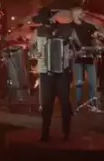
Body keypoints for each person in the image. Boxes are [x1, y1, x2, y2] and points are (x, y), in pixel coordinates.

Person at [30, 7, 82, 142]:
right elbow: (31, 49)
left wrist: (72, 53)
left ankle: (66, 133)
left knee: (65, 103)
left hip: (63, 73)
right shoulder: (38, 32)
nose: (44, 24)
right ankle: (45, 133)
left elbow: (79, 48)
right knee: (46, 104)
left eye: (46, 21)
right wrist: (35, 53)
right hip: (45, 72)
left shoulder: (68, 31)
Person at [69, 6, 100, 110]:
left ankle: (93, 104)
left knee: (93, 83)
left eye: (83, 13)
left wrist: (97, 39)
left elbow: (95, 39)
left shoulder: (89, 26)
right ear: (75, 15)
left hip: (89, 57)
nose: (83, 15)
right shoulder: (70, 27)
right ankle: (78, 105)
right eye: (80, 13)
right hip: (77, 58)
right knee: (79, 83)